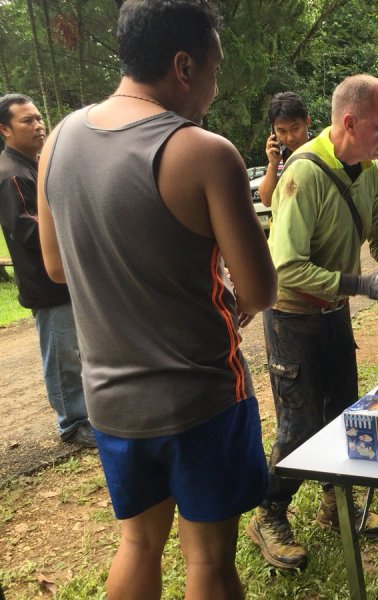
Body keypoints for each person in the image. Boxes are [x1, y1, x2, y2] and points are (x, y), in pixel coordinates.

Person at [37, 1, 278, 598]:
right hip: (199, 397)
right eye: (215, 69)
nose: (215, 89)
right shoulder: (203, 152)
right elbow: (260, 290)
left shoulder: (58, 140)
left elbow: (55, 265)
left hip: (113, 403)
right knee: (208, 564)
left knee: (138, 543)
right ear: (184, 65)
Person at [248, 74, 378, 571]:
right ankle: (269, 513)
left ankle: (335, 506)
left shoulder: (371, 169)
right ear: (350, 122)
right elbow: (285, 267)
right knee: (299, 424)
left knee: (340, 414)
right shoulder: (303, 173)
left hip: (333, 314)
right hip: (293, 318)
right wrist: (364, 285)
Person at [0, 93, 94, 448]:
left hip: (67, 278)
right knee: (62, 356)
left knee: (81, 352)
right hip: (47, 284)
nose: (38, 125)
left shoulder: (37, 165)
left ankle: (86, 413)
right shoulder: (10, 175)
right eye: (27, 120)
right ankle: (71, 423)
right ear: (4, 130)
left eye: (39, 118)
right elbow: (29, 231)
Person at [257, 91, 311, 208]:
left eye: (295, 129)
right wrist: (273, 164)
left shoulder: (321, 149)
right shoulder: (279, 157)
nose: (290, 138)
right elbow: (267, 200)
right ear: (273, 131)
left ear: (307, 121)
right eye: (282, 131)